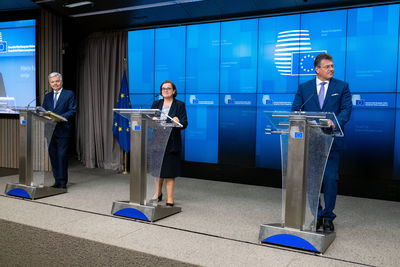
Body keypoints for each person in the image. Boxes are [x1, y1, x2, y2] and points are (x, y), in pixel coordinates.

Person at [291, 53, 352, 232]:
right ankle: (316, 215)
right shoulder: (304, 88)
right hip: (311, 142)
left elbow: (346, 109)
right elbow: (295, 110)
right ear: (317, 69)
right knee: (312, 181)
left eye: (332, 66)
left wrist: (337, 121)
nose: (331, 69)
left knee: (330, 179)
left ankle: (328, 216)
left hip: (332, 142)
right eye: (327, 66)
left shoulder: (342, 86)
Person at [150, 80, 188, 206]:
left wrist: (178, 122)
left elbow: (184, 123)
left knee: (169, 171)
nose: (165, 90)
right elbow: (150, 121)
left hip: (171, 142)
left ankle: (170, 198)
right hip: (157, 140)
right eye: (163, 88)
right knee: (157, 170)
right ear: (161, 91)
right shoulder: (156, 103)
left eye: (168, 88)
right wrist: (152, 120)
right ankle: (158, 193)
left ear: (174, 91)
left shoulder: (179, 105)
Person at [42, 72, 77, 189]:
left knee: (61, 156)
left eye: (57, 81)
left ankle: (62, 182)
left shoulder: (69, 94)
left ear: (61, 82)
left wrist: (59, 118)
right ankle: (56, 180)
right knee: (53, 156)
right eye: (52, 82)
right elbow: (44, 111)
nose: (55, 84)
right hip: (49, 130)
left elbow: (73, 110)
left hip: (63, 130)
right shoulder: (47, 96)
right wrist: (44, 115)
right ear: (50, 83)